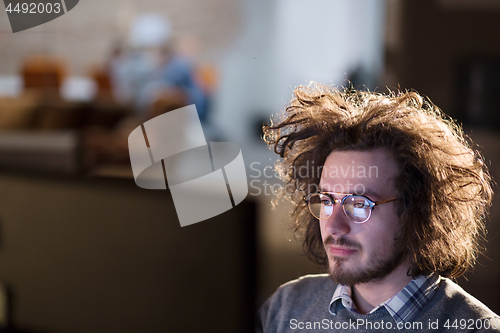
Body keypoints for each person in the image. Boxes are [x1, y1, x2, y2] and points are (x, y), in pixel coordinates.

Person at [257, 83, 500, 332]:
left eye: (360, 205)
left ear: (419, 212)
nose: (333, 226)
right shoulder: (287, 308)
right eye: (327, 201)